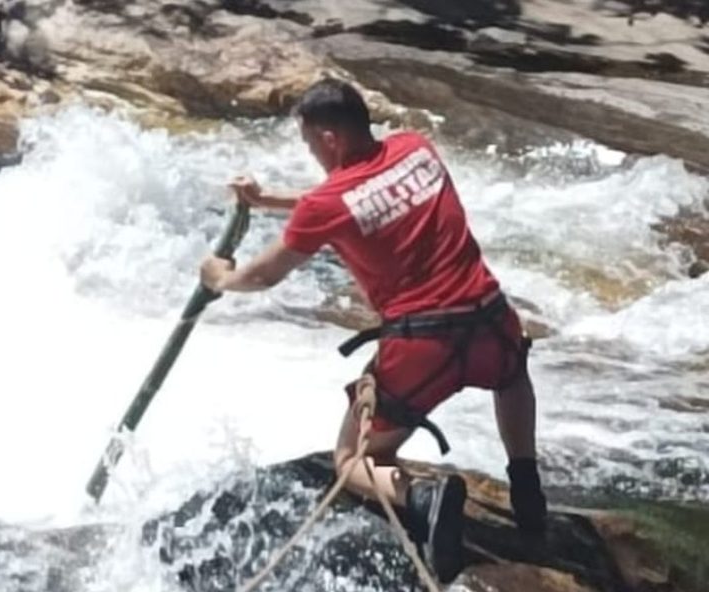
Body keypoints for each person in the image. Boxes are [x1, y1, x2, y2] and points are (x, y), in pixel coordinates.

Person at [199, 78, 547, 583]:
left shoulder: (327, 203)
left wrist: (221, 277)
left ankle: (422, 498)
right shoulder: (416, 147)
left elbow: (265, 274)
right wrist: (269, 199)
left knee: (350, 459)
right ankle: (527, 486)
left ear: (330, 138)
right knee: (511, 376)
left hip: (423, 342)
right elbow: (355, 196)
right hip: (491, 317)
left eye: (310, 142)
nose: (312, 153)